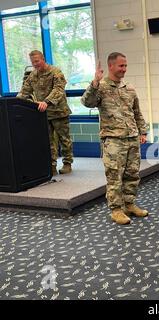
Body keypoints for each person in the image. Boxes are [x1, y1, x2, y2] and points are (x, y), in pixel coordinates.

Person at [81, 52, 148, 225]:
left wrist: (143, 131)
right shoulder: (100, 87)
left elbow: (136, 112)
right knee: (114, 176)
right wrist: (94, 82)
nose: (124, 69)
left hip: (132, 137)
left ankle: (129, 204)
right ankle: (116, 210)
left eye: (125, 65)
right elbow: (86, 102)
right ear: (111, 66)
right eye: (121, 66)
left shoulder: (129, 88)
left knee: (132, 174)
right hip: (113, 140)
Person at [17, 50, 73, 175]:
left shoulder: (55, 72)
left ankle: (67, 163)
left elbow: (58, 89)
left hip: (59, 112)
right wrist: (14, 102)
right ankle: (51, 165)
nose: (35, 64)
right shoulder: (33, 75)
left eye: (37, 61)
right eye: (33, 62)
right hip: (43, 113)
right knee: (48, 141)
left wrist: (46, 101)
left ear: (43, 59)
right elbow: (25, 91)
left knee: (64, 139)